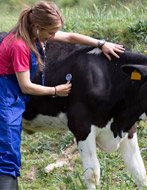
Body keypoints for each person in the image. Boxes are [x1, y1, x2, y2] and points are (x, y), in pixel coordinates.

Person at [0, 1, 124, 189]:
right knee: (8, 155)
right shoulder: (19, 45)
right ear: (37, 27)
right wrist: (56, 90)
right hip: (5, 98)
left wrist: (101, 43)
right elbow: (26, 86)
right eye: (50, 33)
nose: (53, 37)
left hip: (13, 95)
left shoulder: (31, 32)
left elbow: (70, 37)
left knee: (9, 154)